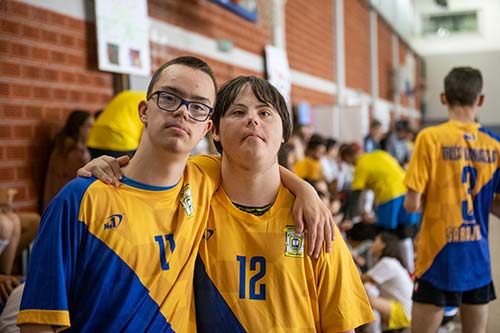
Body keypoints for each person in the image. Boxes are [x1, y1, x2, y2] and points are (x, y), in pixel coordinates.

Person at [18, 56, 332, 332]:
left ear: (207, 128)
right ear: (144, 109)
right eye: (170, 98)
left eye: (197, 106)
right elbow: (38, 320)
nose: (183, 112)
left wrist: (306, 189)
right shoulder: (80, 198)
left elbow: (258, 163)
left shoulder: (205, 178)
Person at [191, 76, 374, 331]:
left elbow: (341, 326)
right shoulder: (192, 192)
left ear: (285, 133)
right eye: (238, 111)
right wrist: (113, 164)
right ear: (216, 132)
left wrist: (305, 189)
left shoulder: (316, 223)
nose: (252, 119)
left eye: (265, 112)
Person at [404, 66, 500, 333]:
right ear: (480, 99)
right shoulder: (495, 145)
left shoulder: (430, 138)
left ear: (443, 98)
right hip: (477, 260)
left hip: (437, 258)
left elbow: (412, 204)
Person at [341, 145, 420, 272]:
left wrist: (348, 218)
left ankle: (377, 271)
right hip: (406, 191)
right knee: (404, 233)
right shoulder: (379, 153)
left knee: (382, 236)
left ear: (348, 157)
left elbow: (356, 194)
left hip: (389, 196)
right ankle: (410, 271)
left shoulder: (360, 165)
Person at [42, 110, 94, 211]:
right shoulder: (73, 153)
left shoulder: (63, 146)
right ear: (78, 127)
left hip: (59, 203)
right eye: (89, 126)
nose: (91, 130)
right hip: (64, 205)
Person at [361, 232, 413, 332]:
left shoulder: (388, 263)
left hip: (402, 311)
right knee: (373, 311)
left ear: (383, 245)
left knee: (366, 300)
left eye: (376, 240)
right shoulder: (391, 262)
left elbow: (362, 279)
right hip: (401, 309)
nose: (372, 244)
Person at [86, 90, 145, 159]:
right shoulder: (150, 102)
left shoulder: (127, 94)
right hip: (120, 141)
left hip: (95, 137)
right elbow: (146, 134)